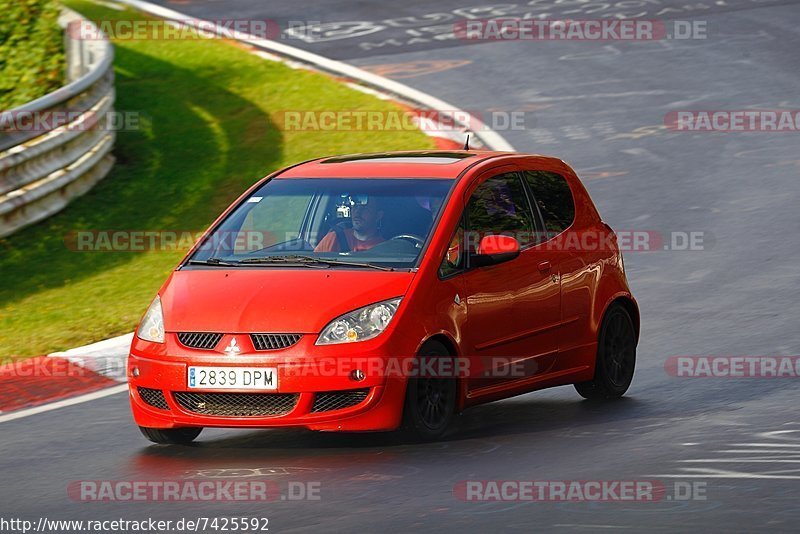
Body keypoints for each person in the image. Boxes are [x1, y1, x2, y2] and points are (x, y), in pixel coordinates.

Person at [315, 196, 385, 253]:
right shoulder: (333, 238)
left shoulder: (386, 249)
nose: (357, 212)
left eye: (365, 208)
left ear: (378, 216)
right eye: (355, 206)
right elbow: (313, 265)